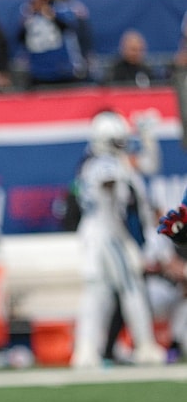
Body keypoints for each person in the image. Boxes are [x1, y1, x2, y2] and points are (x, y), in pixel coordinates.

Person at [70, 111, 165, 369]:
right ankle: (144, 345)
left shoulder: (104, 161)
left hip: (103, 232)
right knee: (129, 290)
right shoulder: (100, 164)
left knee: (98, 295)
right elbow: (109, 184)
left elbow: (148, 165)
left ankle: (87, 350)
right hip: (107, 233)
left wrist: (147, 139)